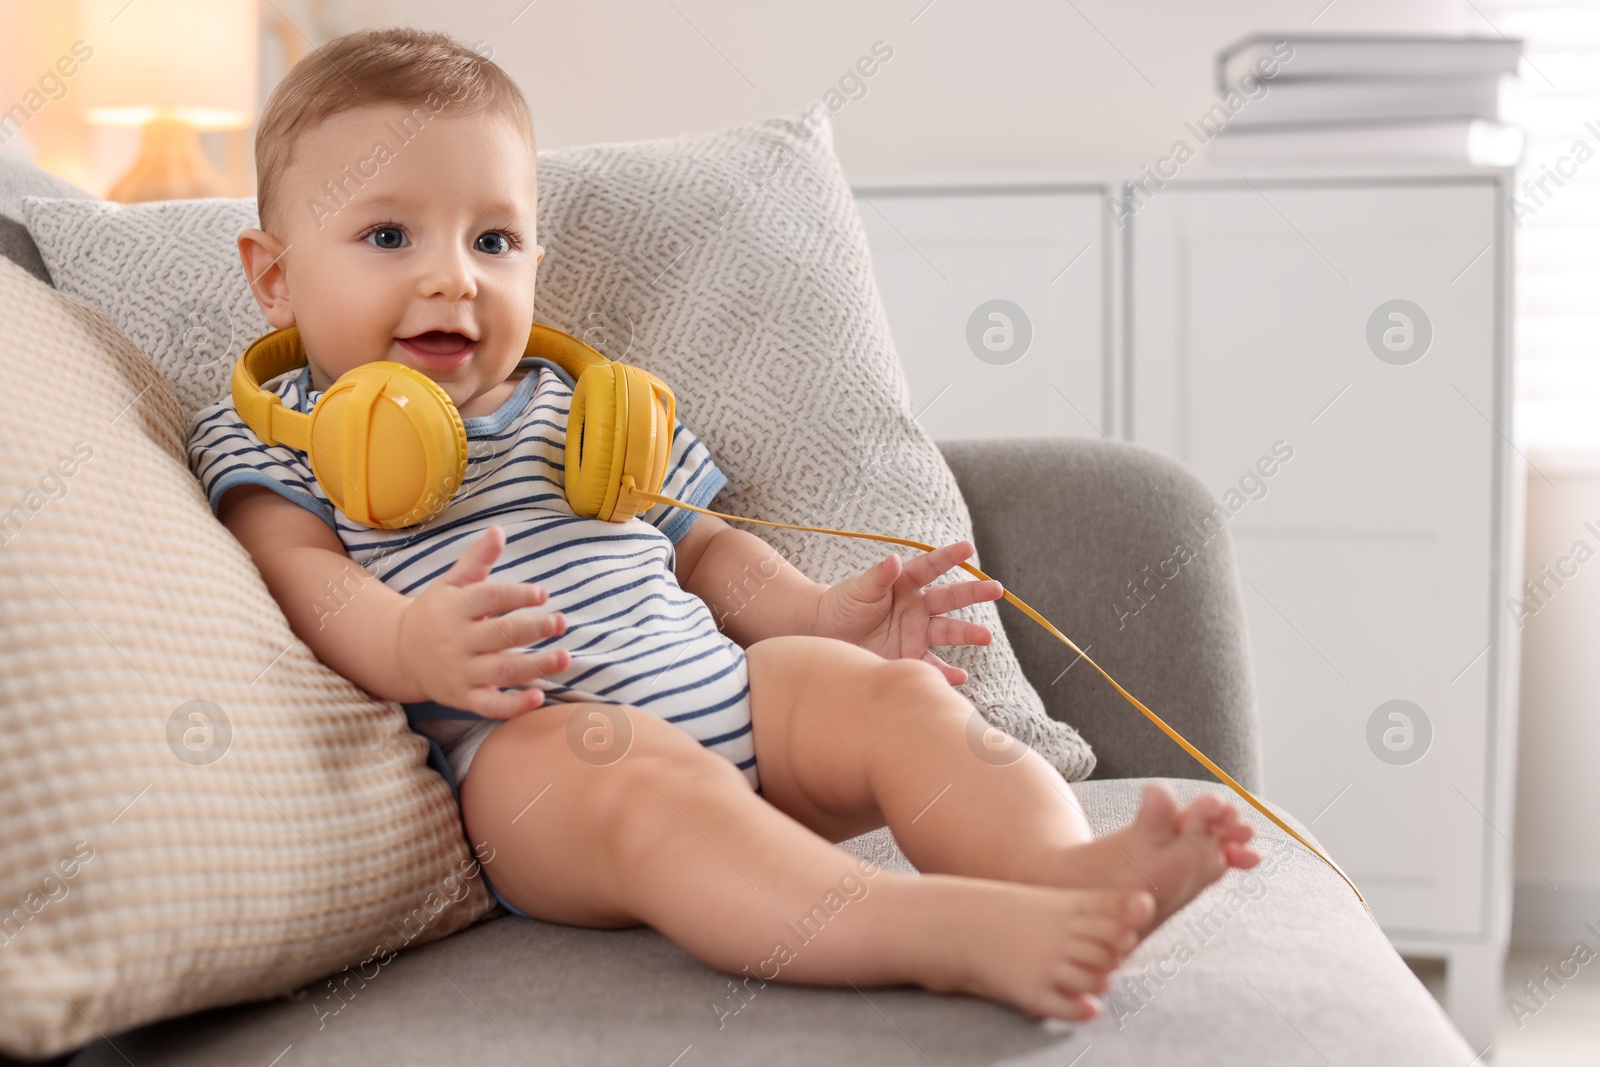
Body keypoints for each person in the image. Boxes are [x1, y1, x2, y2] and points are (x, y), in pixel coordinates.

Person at [188, 27, 1258, 1024]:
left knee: (895, 699)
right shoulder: (278, 441)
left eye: (495, 238)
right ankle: (948, 933)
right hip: (535, 760)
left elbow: (702, 550)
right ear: (275, 277)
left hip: (733, 697)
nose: (452, 275)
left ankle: (1059, 876)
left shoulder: (583, 412)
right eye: (388, 233)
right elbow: (307, 584)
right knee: (638, 777)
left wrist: (816, 613)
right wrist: (412, 642)